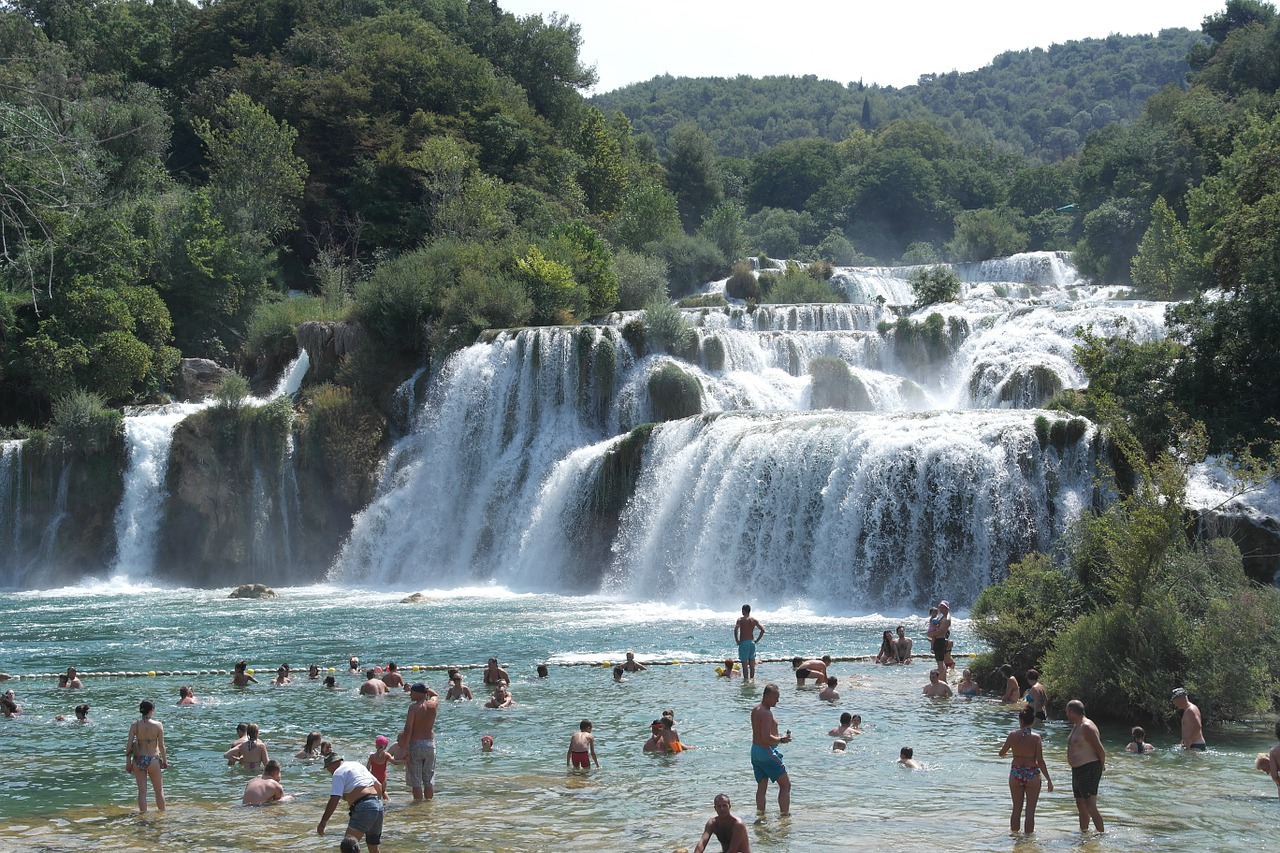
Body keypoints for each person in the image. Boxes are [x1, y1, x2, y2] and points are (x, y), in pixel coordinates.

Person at [1000, 705, 1053, 833]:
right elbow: (1040, 761)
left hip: (1016, 773)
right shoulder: (1036, 738)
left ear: (1020, 720)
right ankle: (1028, 843)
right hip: (1032, 774)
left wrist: (1009, 753)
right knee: (1030, 811)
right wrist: (1049, 780)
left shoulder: (1012, 735)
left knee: (1016, 809)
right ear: (1032, 720)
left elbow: (1001, 753)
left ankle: (1015, 839)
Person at [318, 753, 383, 853]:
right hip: (378, 805)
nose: (329, 772)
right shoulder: (357, 765)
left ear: (331, 765)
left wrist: (323, 822)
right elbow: (378, 785)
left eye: (328, 768)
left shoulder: (338, 772)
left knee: (348, 847)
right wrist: (375, 805)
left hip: (364, 806)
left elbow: (335, 798)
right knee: (373, 847)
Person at [750, 683, 792, 818]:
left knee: (762, 786)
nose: (777, 701)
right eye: (775, 698)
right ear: (767, 696)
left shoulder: (756, 709)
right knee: (786, 785)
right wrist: (781, 740)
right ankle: (785, 816)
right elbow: (766, 737)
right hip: (766, 751)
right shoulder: (766, 713)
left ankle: (761, 815)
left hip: (755, 751)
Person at [1065, 699, 1105, 832]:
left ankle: (1101, 835)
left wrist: (1101, 766)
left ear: (1071, 712)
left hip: (1089, 767)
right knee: (1080, 805)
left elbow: (1100, 749)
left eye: (1067, 711)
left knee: (1090, 806)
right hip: (1077, 770)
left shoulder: (1087, 726)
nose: (1066, 714)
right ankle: (1084, 835)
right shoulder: (1077, 726)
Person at [124, 699, 167, 813]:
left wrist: (128, 763)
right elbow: (162, 746)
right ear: (152, 710)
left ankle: (143, 816)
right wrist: (164, 760)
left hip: (138, 760)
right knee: (158, 790)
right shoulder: (158, 725)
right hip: (153, 759)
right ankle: (162, 816)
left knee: (142, 792)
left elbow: (129, 746)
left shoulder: (135, 725)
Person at [399, 682, 438, 801]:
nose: (410, 694)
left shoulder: (413, 708)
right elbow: (435, 694)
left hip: (415, 744)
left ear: (419, 693)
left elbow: (408, 728)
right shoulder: (433, 705)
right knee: (428, 779)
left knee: (415, 780)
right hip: (430, 744)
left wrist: (404, 747)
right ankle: (428, 806)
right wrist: (426, 689)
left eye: (412, 692)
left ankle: (418, 808)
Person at [734, 605, 765, 681]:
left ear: (744, 610)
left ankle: (746, 681)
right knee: (752, 665)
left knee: (744, 665)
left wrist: (737, 640)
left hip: (744, 643)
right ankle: (752, 679)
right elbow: (762, 630)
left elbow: (736, 630)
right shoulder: (754, 620)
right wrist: (757, 640)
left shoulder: (740, 620)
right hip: (752, 643)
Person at [368, 735, 402, 800]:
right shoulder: (386, 755)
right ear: (386, 746)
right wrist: (405, 760)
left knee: (375, 793)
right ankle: (388, 803)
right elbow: (395, 762)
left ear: (376, 746)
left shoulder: (372, 756)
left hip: (374, 778)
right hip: (383, 778)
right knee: (383, 791)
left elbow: (367, 769)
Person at [927, 600, 951, 678]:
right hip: (939, 641)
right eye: (940, 607)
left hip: (939, 641)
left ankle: (940, 679)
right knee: (941, 662)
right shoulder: (943, 617)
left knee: (940, 662)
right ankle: (943, 679)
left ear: (947, 608)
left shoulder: (946, 620)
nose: (941, 609)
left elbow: (941, 631)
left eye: (943, 608)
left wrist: (929, 634)